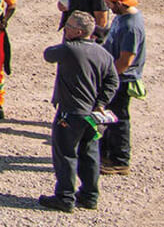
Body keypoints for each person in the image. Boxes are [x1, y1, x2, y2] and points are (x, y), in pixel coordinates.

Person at [39, 11, 119, 212]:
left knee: (65, 154)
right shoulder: (104, 54)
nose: (65, 29)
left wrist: (66, 41)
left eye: (69, 27)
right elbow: (113, 81)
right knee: (90, 154)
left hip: (70, 114)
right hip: (93, 115)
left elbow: (48, 54)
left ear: (79, 31)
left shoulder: (69, 50)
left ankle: (65, 197)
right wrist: (101, 102)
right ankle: (90, 195)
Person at [99, 0, 145, 175]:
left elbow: (126, 60)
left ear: (118, 3)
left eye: (109, 4)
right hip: (117, 77)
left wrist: (109, 78)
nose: (108, 7)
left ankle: (120, 160)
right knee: (110, 117)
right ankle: (107, 153)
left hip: (122, 79)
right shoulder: (122, 17)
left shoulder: (131, 26)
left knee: (119, 120)